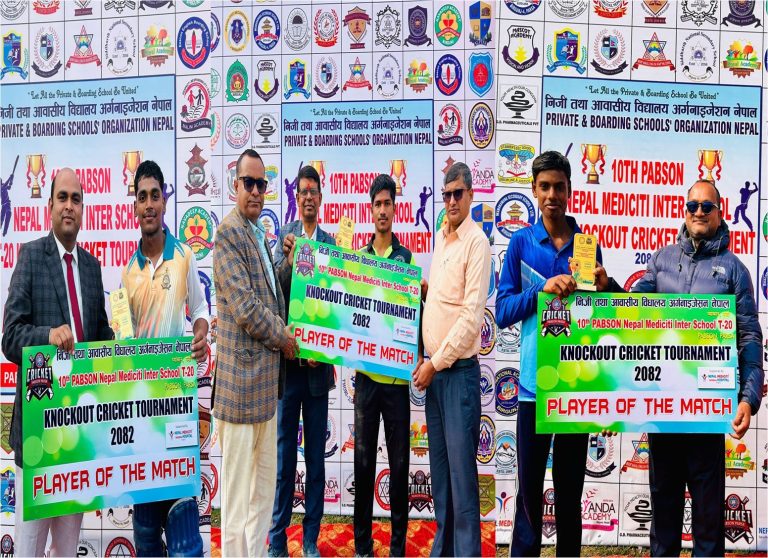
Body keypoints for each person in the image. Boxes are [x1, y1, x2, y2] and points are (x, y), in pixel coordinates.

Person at [632, 179, 763, 557]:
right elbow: (629, 317)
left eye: (707, 206)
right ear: (684, 211)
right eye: (693, 205)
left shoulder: (735, 270)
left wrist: (748, 398)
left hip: (707, 415)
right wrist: (604, 288)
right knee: (664, 525)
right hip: (663, 415)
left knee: (708, 527)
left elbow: (749, 339)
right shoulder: (660, 261)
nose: (699, 212)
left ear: (720, 213)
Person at [495, 151, 616, 557]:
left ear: (569, 191)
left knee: (569, 496)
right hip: (533, 390)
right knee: (529, 498)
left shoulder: (587, 246)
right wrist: (541, 289)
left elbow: (601, 323)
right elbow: (502, 312)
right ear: (533, 189)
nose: (552, 195)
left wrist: (605, 290)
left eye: (559, 187)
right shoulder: (521, 243)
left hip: (573, 390)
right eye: (544, 186)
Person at [2, 168, 113, 557]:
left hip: (78, 441)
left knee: (67, 550)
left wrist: (126, 350)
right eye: (62, 197)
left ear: (83, 208)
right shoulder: (31, 257)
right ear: (49, 206)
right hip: (39, 439)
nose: (69, 206)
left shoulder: (93, 269)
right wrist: (47, 336)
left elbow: (101, 339)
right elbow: (10, 338)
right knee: (29, 549)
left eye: (76, 199)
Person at [213, 148, 299, 557]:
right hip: (239, 393)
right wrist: (285, 339)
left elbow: (271, 297)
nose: (256, 191)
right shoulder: (228, 233)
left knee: (261, 498)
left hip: (264, 394)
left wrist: (287, 262)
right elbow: (246, 309)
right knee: (235, 506)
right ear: (235, 186)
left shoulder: (259, 235)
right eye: (249, 182)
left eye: (262, 184)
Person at [121, 160, 209, 557]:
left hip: (176, 410)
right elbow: (123, 340)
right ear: (135, 207)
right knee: (145, 535)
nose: (149, 204)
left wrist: (201, 331)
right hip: (141, 415)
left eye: (155, 195)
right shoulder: (127, 273)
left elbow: (201, 308)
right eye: (142, 197)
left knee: (185, 537)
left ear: (164, 202)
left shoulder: (185, 256)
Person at [413, 162, 491, 557]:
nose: (451, 201)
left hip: (457, 375)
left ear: (471, 195)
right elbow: (446, 302)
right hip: (437, 375)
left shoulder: (477, 242)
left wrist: (434, 362)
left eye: (457, 193)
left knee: (461, 484)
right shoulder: (442, 238)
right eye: (446, 195)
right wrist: (426, 294)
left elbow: (471, 318)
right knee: (441, 479)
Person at [268, 165, 335, 558]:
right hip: (287, 371)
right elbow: (275, 290)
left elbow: (337, 305)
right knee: (283, 461)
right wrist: (289, 261)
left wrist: (322, 352)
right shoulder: (284, 239)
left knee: (315, 463)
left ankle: (310, 540)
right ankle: (277, 540)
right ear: (296, 197)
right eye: (303, 191)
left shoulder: (331, 243)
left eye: (314, 191)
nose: (308, 197)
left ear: (321, 198)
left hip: (317, 372)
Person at [354, 175, 418, 557]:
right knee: (363, 467)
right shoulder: (358, 259)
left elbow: (412, 315)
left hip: (395, 382)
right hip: (365, 379)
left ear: (395, 208)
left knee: (399, 469)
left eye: (387, 203)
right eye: (377, 204)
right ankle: (363, 546)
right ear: (371, 209)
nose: (382, 210)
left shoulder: (406, 260)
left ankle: (397, 549)